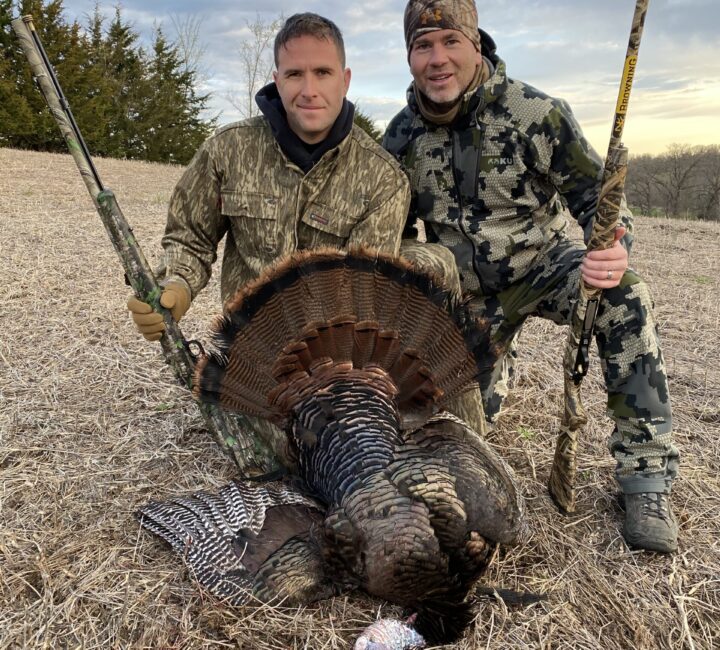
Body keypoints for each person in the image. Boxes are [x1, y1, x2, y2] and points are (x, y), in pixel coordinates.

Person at [383, 0, 679, 553]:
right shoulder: (399, 139)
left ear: (476, 45)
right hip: (464, 299)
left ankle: (646, 479)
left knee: (626, 293)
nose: (438, 59)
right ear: (408, 56)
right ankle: (493, 367)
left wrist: (614, 245)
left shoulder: (535, 114)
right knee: (457, 443)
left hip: (544, 267)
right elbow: (391, 235)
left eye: (451, 42)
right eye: (423, 46)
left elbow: (599, 200)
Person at [127, 13, 410, 467]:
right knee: (264, 461)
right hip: (249, 361)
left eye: (322, 72)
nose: (308, 89)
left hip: (331, 368)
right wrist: (176, 285)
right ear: (276, 79)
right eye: (295, 73)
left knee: (339, 463)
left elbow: (363, 300)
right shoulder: (227, 149)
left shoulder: (382, 179)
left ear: (346, 79)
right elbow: (190, 238)